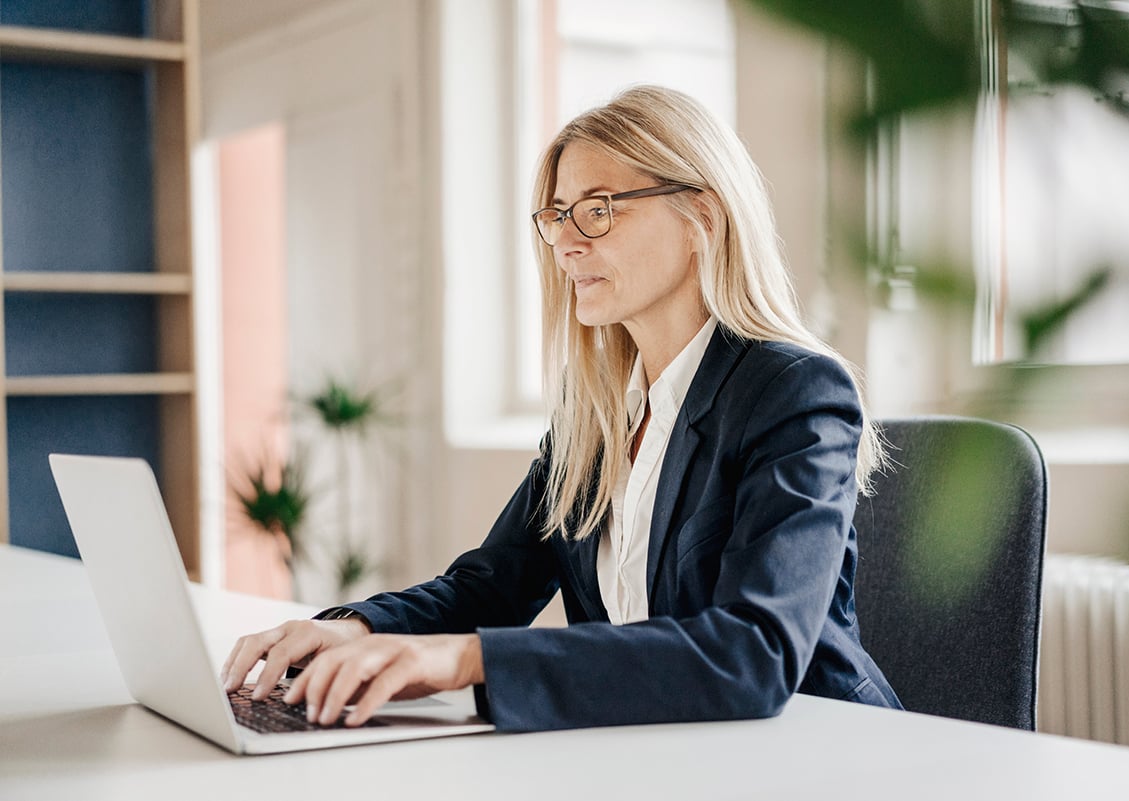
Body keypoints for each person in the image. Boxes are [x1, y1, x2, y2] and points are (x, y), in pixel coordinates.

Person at [222, 85, 902, 732]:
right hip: (664, 749)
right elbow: (491, 586)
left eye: (599, 209)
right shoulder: (595, 408)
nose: (567, 242)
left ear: (701, 217)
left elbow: (751, 652)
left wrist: (464, 660)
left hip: (824, 755)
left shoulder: (796, 393)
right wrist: (353, 629)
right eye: (557, 215)